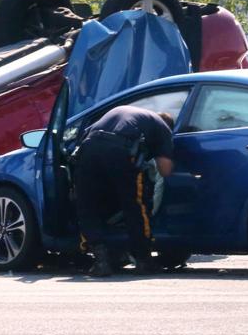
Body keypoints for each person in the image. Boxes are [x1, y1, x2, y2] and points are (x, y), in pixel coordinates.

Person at [72, 105, 175, 277]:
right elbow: (165, 170)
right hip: (119, 150)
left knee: (87, 205)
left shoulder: (125, 112)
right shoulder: (162, 127)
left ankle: (101, 261)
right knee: (134, 204)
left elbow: (83, 137)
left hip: (88, 149)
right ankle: (143, 261)